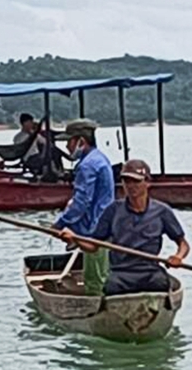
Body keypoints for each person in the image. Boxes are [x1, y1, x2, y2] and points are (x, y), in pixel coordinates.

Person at [60, 159, 190, 296]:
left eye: (136, 181)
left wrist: (178, 257)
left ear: (147, 182)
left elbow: (183, 244)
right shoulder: (113, 210)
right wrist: (74, 238)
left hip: (150, 272)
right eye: (126, 181)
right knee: (111, 286)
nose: (131, 186)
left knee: (161, 283)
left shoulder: (162, 211)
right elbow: (93, 246)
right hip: (121, 274)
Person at [51, 119, 116, 296]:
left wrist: (59, 224)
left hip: (95, 230)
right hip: (105, 225)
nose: (67, 146)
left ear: (81, 141)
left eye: (69, 141)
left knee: (95, 280)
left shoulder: (87, 165)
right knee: (103, 271)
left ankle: (96, 310)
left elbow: (82, 202)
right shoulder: (100, 158)